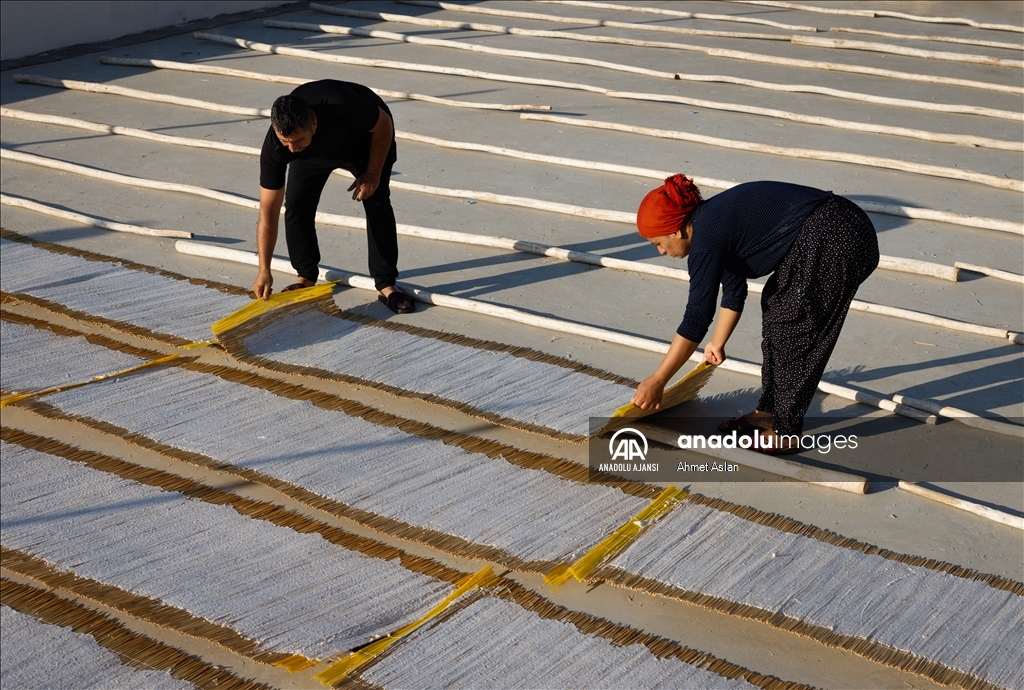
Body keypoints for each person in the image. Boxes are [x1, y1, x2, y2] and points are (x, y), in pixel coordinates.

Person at [630, 175, 879, 452]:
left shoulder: (706, 238)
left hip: (837, 233)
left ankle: (786, 431)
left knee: (793, 321)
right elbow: (734, 291)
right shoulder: (710, 227)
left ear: (676, 230)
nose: (661, 251)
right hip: (826, 231)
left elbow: (697, 316)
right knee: (777, 307)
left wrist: (658, 380)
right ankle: (768, 412)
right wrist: (718, 342)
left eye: (658, 243)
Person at [252, 79, 414, 313]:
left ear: (314, 123)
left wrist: (372, 174)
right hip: (314, 153)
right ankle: (305, 276)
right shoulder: (278, 148)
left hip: (362, 140)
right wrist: (264, 270)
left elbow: (383, 125)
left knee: (376, 201)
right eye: (284, 141)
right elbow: (268, 212)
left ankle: (386, 284)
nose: (290, 149)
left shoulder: (342, 104)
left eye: (296, 140)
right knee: (297, 204)